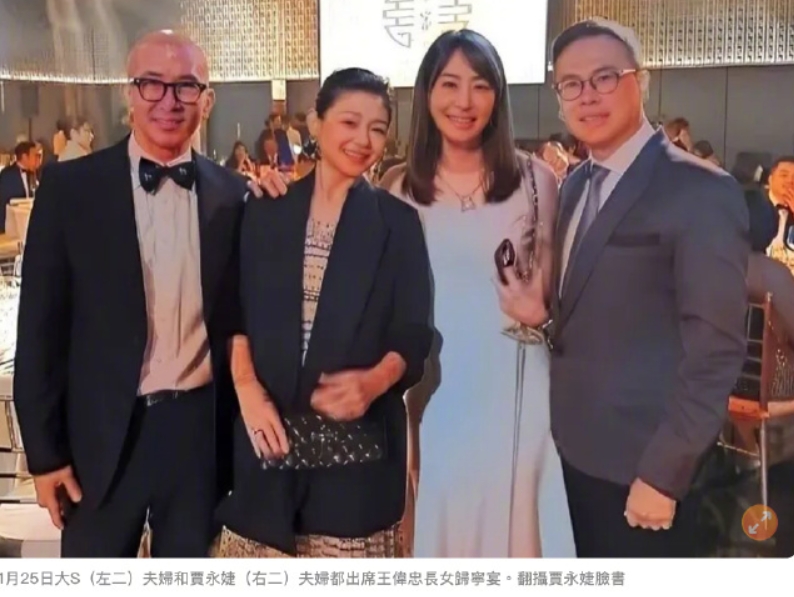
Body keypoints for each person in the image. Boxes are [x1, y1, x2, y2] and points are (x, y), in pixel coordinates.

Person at [254, 30, 576, 558]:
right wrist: (273, 193)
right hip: (433, 387)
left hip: (516, 386)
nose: (464, 101)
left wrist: (540, 315)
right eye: (449, 84)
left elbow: (554, 298)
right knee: (439, 529)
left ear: (499, 96)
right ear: (426, 93)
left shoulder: (537, 180)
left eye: (480, 85)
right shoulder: (397, 189)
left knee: (518, 536)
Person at [13, 30, 247, 557]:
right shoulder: (70, 189)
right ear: (129, 93)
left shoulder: (234, 195)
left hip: (197, 435)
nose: (169, 101)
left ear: (207, 100)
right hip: (100, 433)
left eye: (186, 86)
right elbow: (40, 333)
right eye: (152, 84)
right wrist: (45, 456)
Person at [547, 19, 748, 557]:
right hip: (572, 456)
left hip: (646, 473)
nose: (588, 96)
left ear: (642, 81)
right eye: (571, 84)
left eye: (605, 77)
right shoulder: (574, 186)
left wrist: (665, 472)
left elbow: (716, 350)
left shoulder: (699, 189)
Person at [213, 67, 433, 557]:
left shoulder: (397, 224)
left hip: (353, 467)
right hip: (266, 455)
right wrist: (246, 388)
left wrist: (374, 382)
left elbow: (413, 333)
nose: (363, 140)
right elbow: (233, 310)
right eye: (349, 122)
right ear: (316, 122)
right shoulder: (264, 208)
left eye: (377, 129)